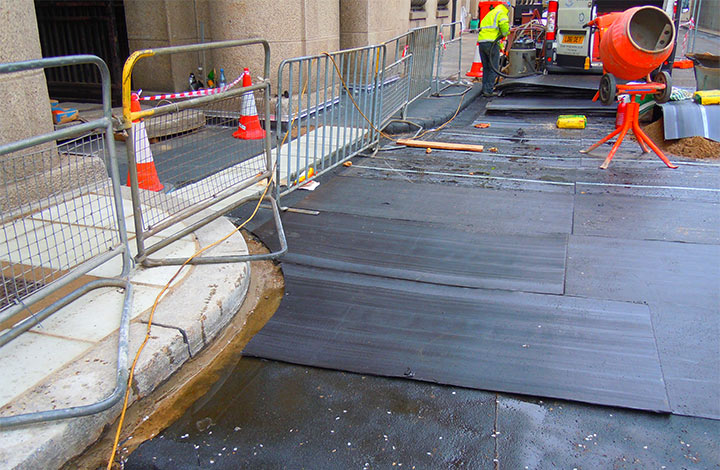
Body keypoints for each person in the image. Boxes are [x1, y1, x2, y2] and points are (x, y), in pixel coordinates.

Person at [477, 1, 511, 97]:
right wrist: (506, 33)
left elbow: (492, 32)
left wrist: (500, 46)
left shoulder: (491, 13)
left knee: (486, 67)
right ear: (507, 8)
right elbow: (504, 26)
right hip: (491, 44)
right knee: (494, 68)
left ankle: (485, 88)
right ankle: (488, 91)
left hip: (482, 43)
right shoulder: (501, 13)